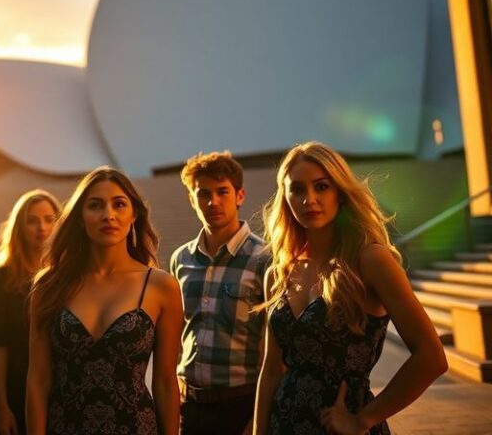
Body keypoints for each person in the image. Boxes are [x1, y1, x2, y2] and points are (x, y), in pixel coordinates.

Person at [253, 141, 448, 435]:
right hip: (284, 425)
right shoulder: (278, 273)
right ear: (285, 197)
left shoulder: (370, 260)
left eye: (321, 187)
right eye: (297, 189)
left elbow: (432, 357)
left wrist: (363, 419)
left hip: (343, 428)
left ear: (341, 194)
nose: (309, 200)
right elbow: (271, 370)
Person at [26, 167, 183, 435]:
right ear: (80, 217)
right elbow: (38, 381)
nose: (108, 215)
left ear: (133, 214)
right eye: (95, 205)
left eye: (119, 204)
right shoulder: (49, 285)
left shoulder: (161, 286)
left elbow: (166, 383)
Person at [170, 151, 269, 435]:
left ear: (240, 195)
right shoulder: (181, 259)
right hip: (190, 407)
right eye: (203, 194)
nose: (213, 202)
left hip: (240, 405)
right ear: (192, 200)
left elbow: (277, 347)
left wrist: (258, 419)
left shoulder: (265, 258)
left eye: (222, 192)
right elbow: (180, 332)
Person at [0, 189, 61, 435]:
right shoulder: (2, 279)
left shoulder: (68, 274)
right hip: (18, 385)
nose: (41, 227)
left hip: (64, 388)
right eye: (32, 220)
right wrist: (2, 406)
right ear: (19, 226)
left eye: (49, 219)